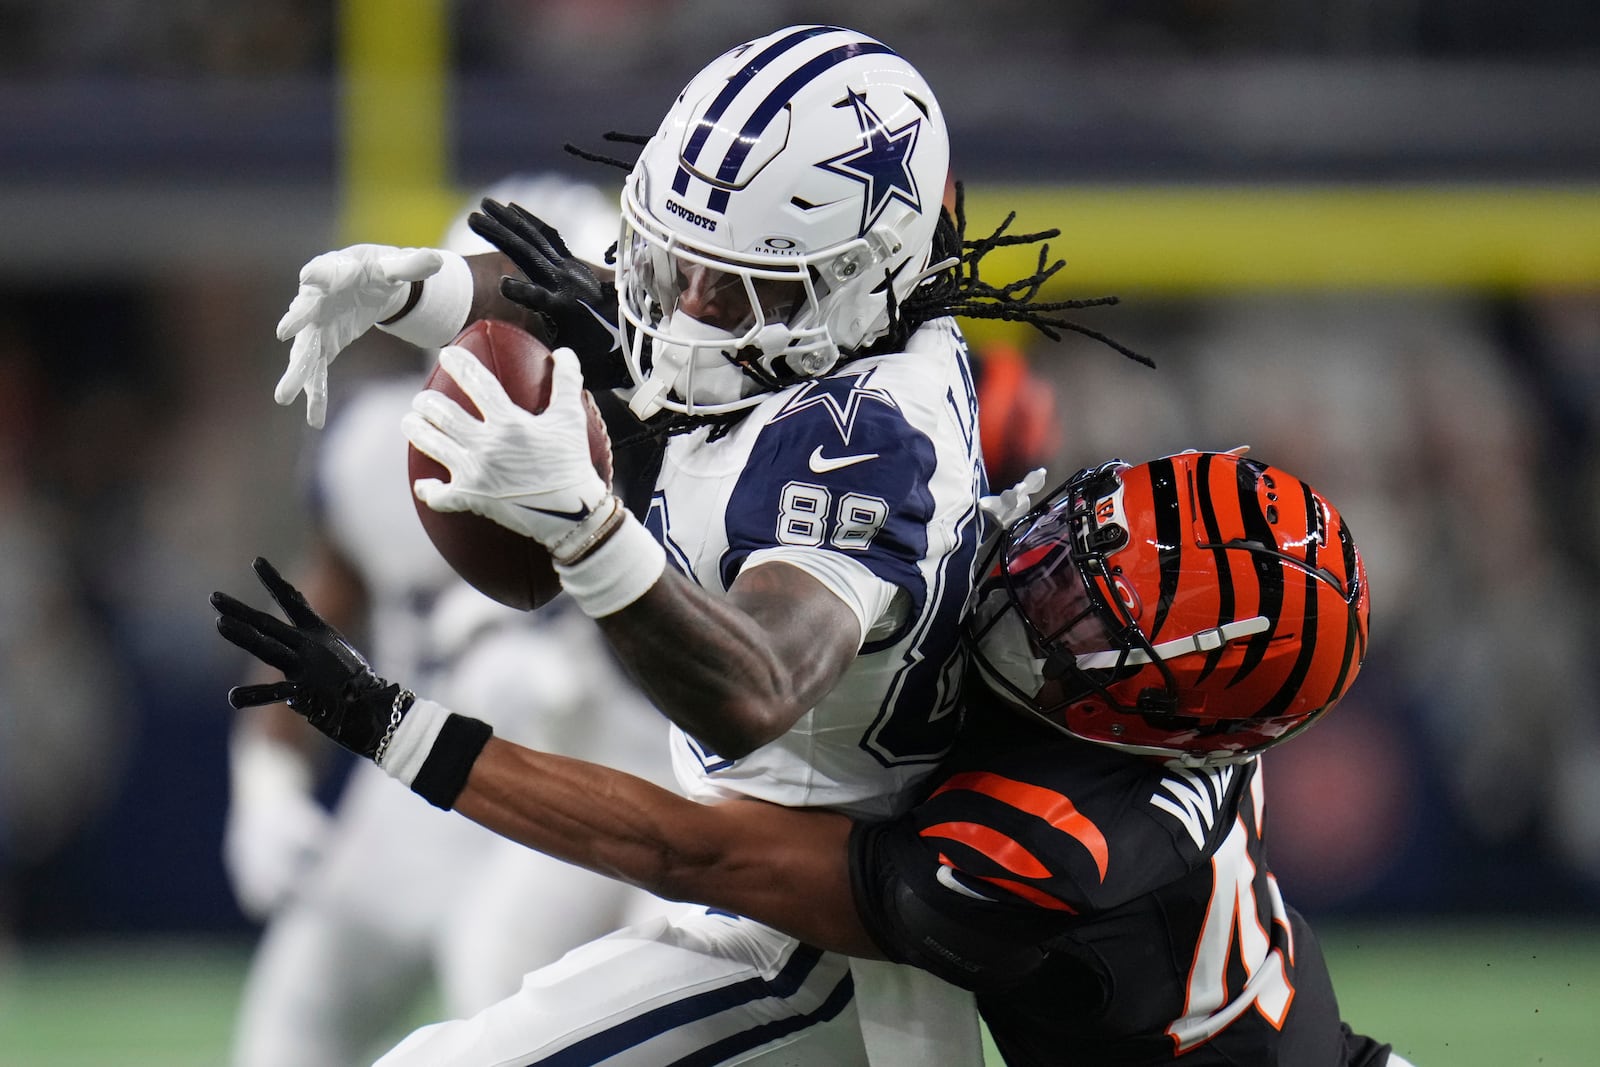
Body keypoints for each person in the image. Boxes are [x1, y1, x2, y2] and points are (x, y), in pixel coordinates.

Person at [258, 22, 1142, 1067]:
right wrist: (421, 292)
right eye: (682, 261)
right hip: (744, 878)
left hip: (817, 944)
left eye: (734, 283)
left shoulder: (869, 443)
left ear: (863, 279)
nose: (690, 309)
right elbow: (603, 299)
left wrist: (586, 531)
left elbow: (755, 683)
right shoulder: (808, 335)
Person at [213, 447, 1413, 1066]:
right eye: (1082, 540)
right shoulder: (1162, 694)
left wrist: (395, 726)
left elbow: (684, 847)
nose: (1048, 583)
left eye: (1101, 623)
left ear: (1166, 721)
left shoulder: (1049, 840)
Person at [224, 175, 676, 1067]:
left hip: (570, 792)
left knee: (504, 997)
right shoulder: (369, 449)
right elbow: (316, 620)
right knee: (291, 1021)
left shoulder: (661, 456)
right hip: (411, 783)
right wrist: (264, 783)